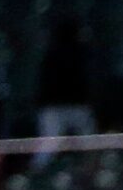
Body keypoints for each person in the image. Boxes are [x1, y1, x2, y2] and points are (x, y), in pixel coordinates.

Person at [32, 19, 96, 167]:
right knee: (49, 146)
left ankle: (90, 175)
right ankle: (37, 176)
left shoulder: (82, 54)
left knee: (89, 145)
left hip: (75, 106)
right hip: (57, 108)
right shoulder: (53, 55)